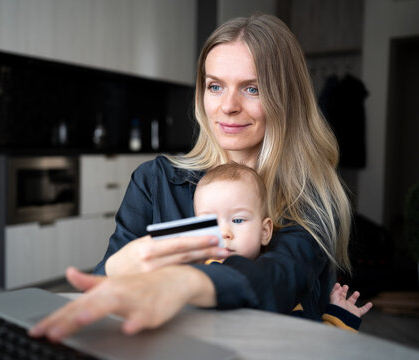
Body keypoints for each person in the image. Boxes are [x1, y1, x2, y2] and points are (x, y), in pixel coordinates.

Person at [29, 13, 356, 342]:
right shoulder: (155, 181)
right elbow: (105, 290)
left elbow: (280, 279)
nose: (227, 106)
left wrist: (187, 282)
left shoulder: (310, 198)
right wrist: (117, 267)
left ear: (286, 99)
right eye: (215, 86)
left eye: (252, 89)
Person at [195, 162, 372, 331]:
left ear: (265, 232)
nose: (224, 232)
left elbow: (306, 345)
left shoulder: (281, 286)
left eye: (238, 220)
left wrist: (338, 318)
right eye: (209, 223)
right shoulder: (197, 278)